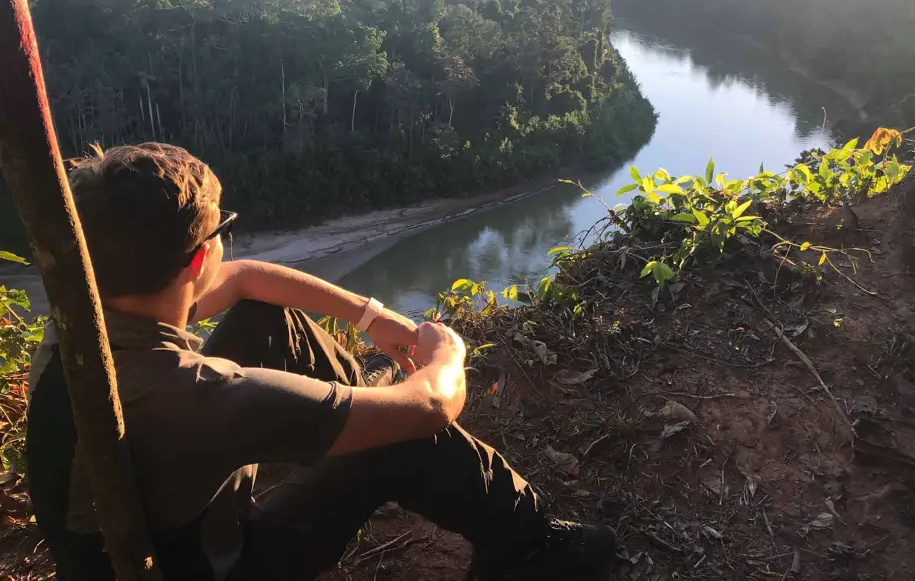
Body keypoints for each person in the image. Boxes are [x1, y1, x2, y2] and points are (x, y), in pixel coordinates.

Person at [25, 143, 616, 581]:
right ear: (200, 257)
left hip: (151, 537)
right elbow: (433, 404)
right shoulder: (202, 397)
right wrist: (447, 351)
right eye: (224, 232)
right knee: (402, 434)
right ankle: (528, 546)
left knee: (266, 317)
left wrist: (370, 316)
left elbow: (249, 281)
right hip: (220, 566)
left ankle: (352, 421)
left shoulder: (82, 321)